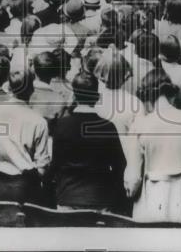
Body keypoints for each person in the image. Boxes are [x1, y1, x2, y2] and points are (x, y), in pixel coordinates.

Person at [123, 73, 181, 224]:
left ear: (147, 98)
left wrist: (130, 192)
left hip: (151, 194)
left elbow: (133, 178)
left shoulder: (140, 125)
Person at [50, 73, 127, 213]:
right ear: (97, 98)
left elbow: (55, 164)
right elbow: (119, 165)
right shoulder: (107, 127)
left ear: (74, 96)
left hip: (68, 197)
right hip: (99, 198)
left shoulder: (61, 126)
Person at [0, 69, 51, 203]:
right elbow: (42, 167)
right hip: (25, 186)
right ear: (32, 90)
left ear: (9, 87)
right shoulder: (39, 122)